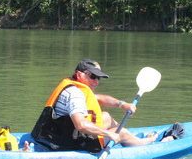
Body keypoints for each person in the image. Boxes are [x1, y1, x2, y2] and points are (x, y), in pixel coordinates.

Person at [31, 58, 179, 152]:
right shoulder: (75, 94)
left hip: (52, 134)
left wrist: (122, 104)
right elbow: (81, 125)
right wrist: (109, 134)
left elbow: (98, 99)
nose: (96, 81)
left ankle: (126, 137)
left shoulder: (73, 87)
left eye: (99, 78)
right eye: (93, 76)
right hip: (62, 143)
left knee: (106, 117)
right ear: (79, 74)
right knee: (120, 133)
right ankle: (146, 142)